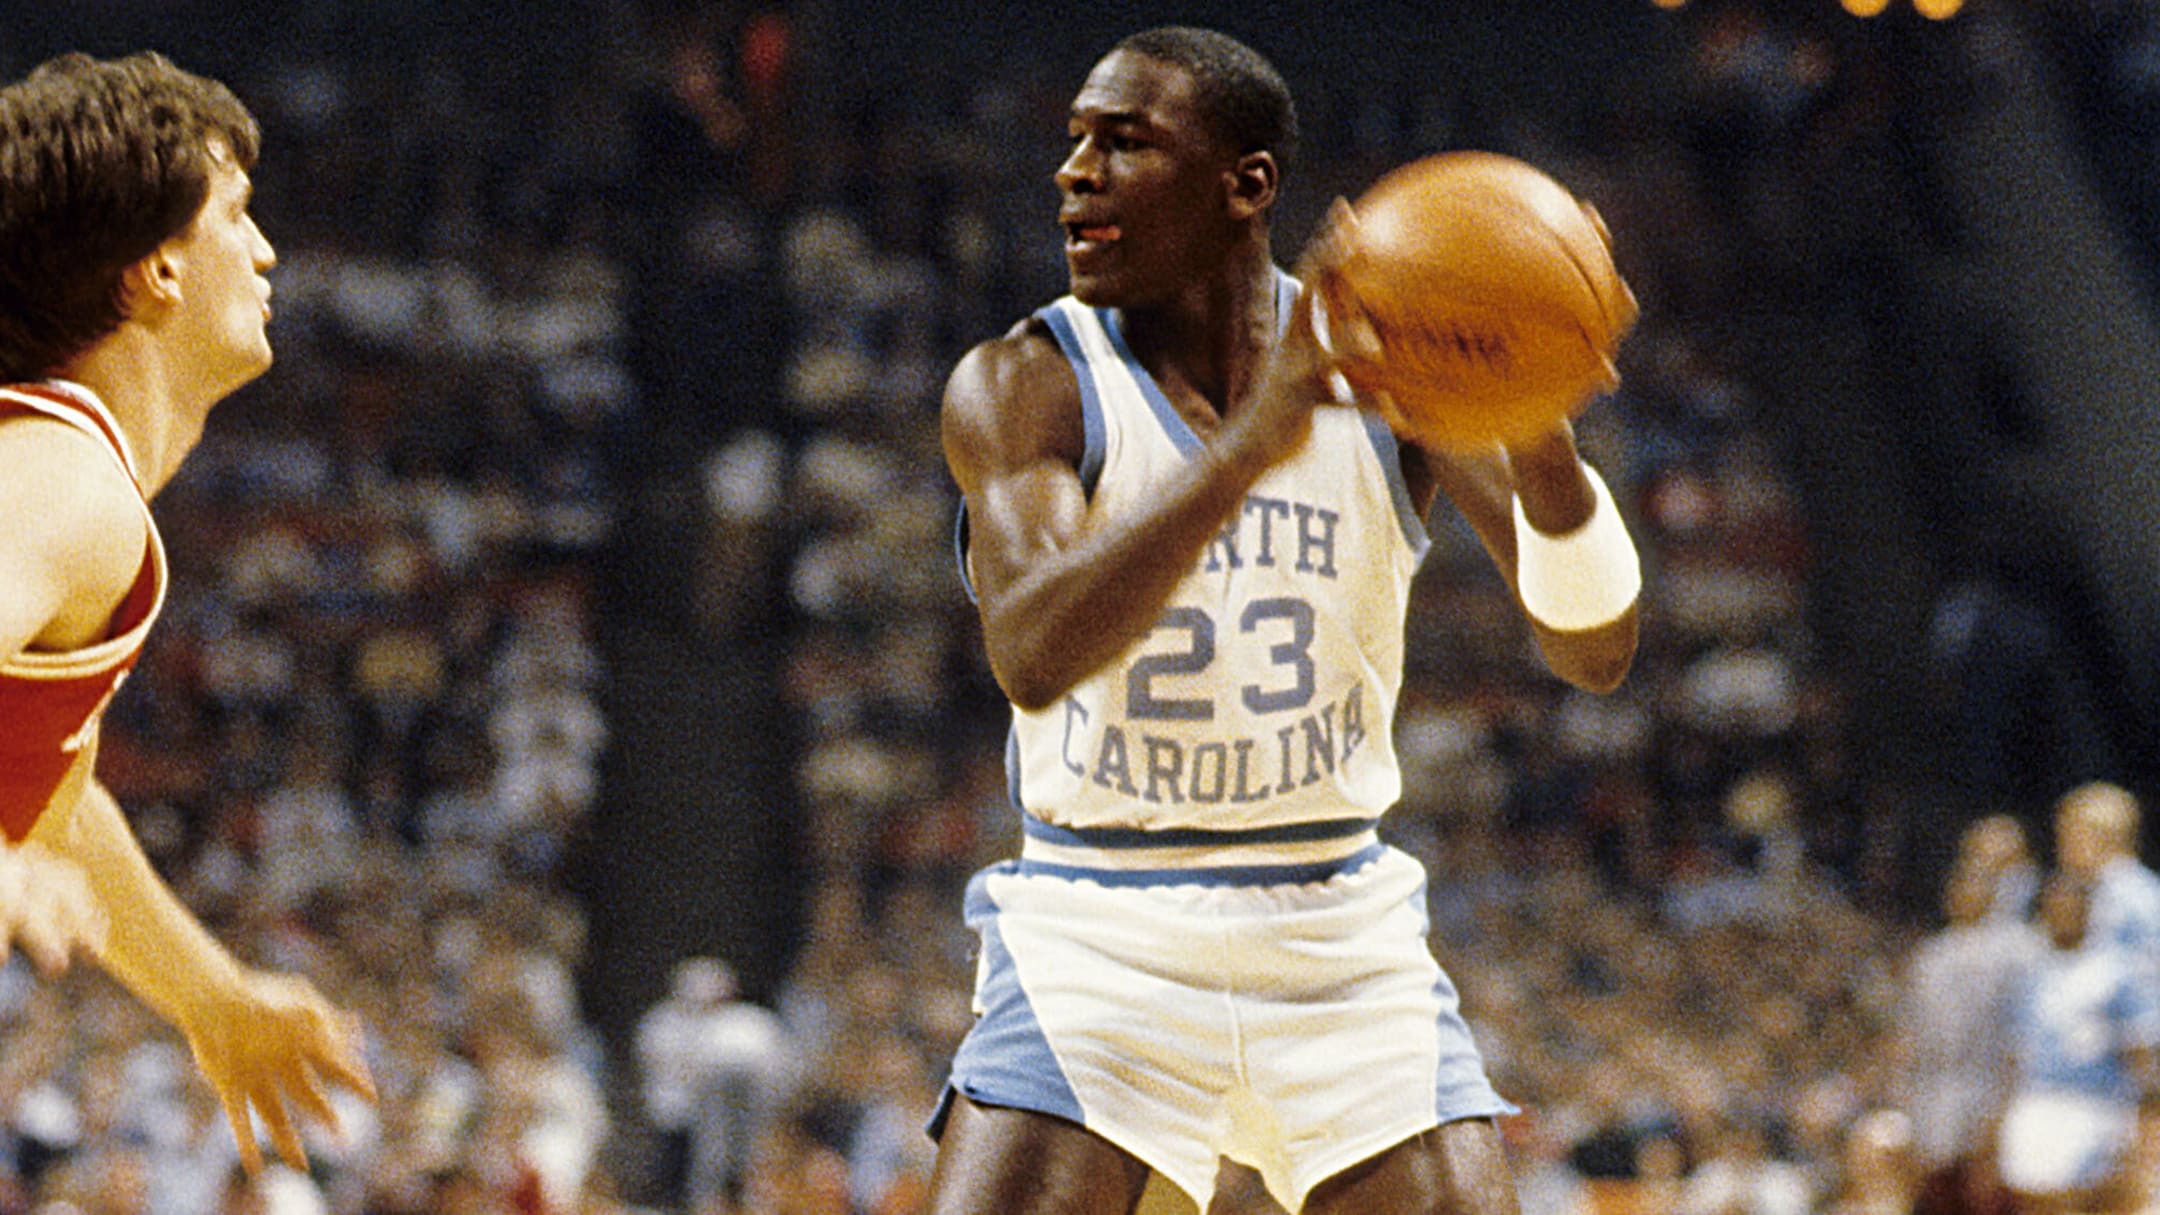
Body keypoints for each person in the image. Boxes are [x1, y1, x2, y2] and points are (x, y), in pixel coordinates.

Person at [931, 25, 1640, 1215]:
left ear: (1245, 184)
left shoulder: (1394, 359)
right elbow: (1033, 651)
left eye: (1125, 142)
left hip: (1334, 924)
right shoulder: (1026, 382)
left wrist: (1542, 437)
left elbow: (1597, 648)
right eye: (1074, 144)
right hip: (1100, 924)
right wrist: (1257, 443)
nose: (1075, 172)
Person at [0, 50, 375, 1174]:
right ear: (158, 271)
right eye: (238, 215)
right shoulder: (65, 479)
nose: (264, 251)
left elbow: (50, 800)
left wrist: (210, 998)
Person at [1996, 873, 2160, 1215]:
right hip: (2036, 1103)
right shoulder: (2034, 974)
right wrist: (2003, 1112)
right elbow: (2017, 1052)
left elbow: (2141, 1051)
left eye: (2071, 906)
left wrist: (2142, 1120)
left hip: (2092, 1106)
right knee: (2031, 1201)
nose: (2062, 914)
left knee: (2075, 1202)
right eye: (2055, 907)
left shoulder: (2116, 972)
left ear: (2089, 911)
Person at [2053, 781, 2160, 965]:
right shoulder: (2131, 888)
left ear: (2096, 837)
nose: (2059, 850)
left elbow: (2108, 975)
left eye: (2066, 835)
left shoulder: (2122, 897)